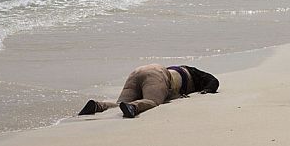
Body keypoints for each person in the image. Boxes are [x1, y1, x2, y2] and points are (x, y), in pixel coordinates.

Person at [78, 64, 219, 118]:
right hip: (158, 75)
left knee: (120, 103)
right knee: (152, 101)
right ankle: (134, 107)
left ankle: (98, 106)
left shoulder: (177, 70)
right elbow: (214, 81)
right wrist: (207, 90)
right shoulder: (193, 73)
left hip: (138, 71)